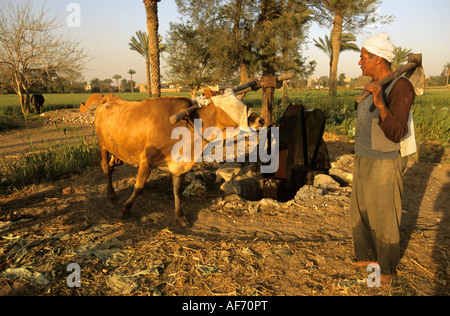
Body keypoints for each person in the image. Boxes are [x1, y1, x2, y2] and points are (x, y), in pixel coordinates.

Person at [350, 33, 416, 287]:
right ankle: (367, 257)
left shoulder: (400, 86)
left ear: (378, 59)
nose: (359, 62)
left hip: (385, 159)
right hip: (364, 156)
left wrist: (380, 103)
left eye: (363, 57)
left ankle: (385, 270)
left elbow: (397, 131)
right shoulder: (373, 84)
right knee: (362, 209)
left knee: (384, 215)